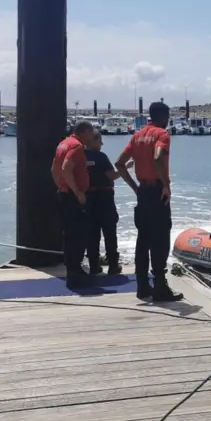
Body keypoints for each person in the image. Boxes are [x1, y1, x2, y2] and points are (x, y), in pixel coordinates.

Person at [115, 100, 182, 301]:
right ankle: (160, 286)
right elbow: (157, 156)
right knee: (160, 239)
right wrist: (166, 185)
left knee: (143, 239)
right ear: (164, 117)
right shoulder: (162, 134)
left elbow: (119, 163)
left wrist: (135, 187)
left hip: (143, 191)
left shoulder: (137, 135)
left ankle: (142, 286)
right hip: (157, 192)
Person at [51, 120, 94, 288]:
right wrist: (77, 191)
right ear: (84, 132)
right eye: (91, 132)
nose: (92, 136)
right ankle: (75, 275)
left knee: (69, 235)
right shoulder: (76, 147)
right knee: (79, 235)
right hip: (74, 197)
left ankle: (74, 270)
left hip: (64, 194)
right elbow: (66, 167)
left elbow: (54, 168)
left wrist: (60, 186)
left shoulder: (63, 144)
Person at [84, 129, 131, 276]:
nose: (102, 144)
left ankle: (93, 265)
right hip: (104, 198)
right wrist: (126, 167)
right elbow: (112, 175)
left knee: (92, 233)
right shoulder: (100, 157)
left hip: (88, 198)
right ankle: (113, 265)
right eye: (99, 141)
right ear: (92, 141)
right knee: (110, 232)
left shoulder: (80, 157)